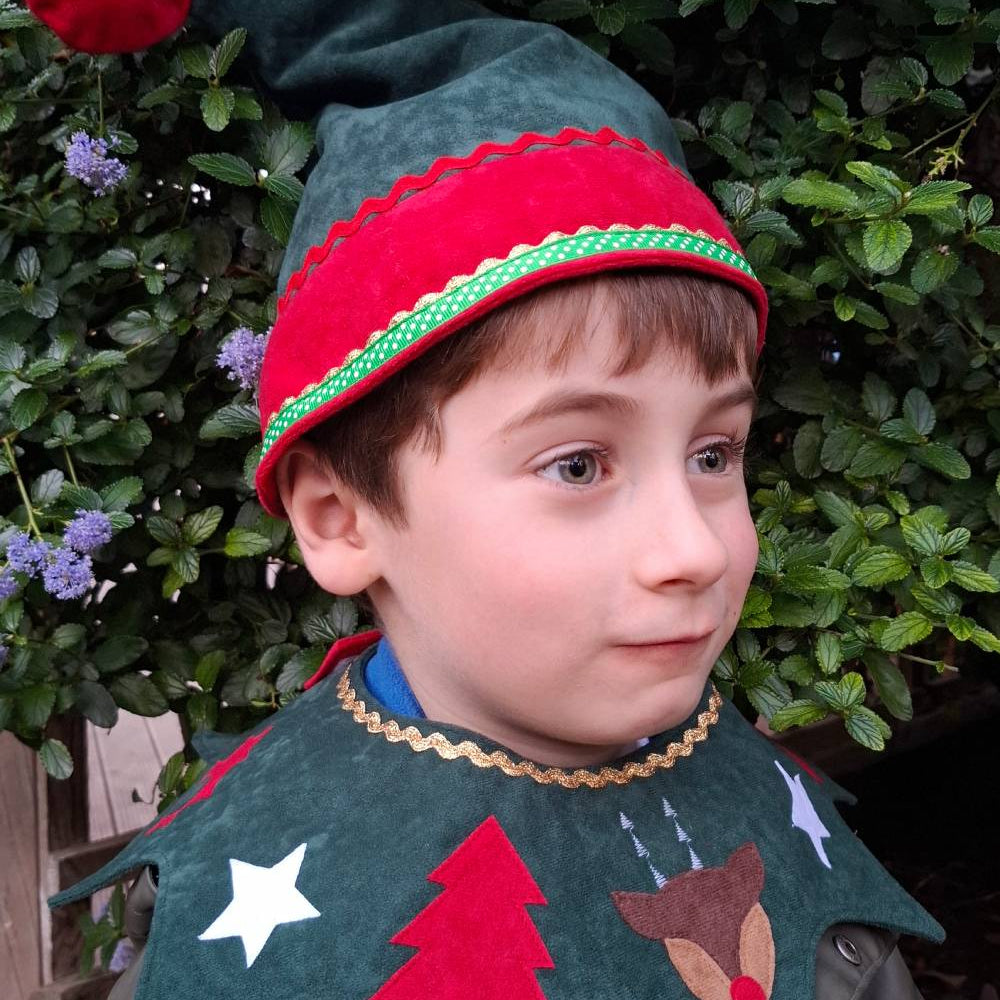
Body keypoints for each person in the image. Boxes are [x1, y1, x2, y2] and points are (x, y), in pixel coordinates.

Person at [40, 1, 942, 997]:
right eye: (577, 465)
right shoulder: (245, 910)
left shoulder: (773, 822)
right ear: (340, 518)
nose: (694, 549)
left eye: (713, 453)